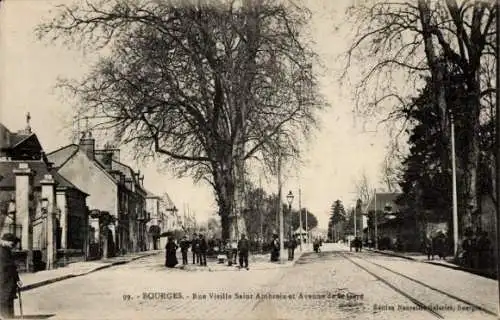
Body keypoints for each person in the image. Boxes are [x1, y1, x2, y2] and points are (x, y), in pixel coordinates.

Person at [0, 233, 22, 319]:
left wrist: (17, 279)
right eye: (12, 244)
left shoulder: (7, 250)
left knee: (9, 301)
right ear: (5, 241)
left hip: (9, 282)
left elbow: (12, 267)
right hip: (2, 282)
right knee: (3, 302)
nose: (13, 246)